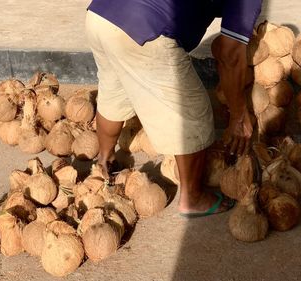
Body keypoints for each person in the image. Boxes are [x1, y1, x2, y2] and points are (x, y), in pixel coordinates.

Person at [85, 0, 262, 217]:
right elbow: (229, 54)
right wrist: (238, 114)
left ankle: (103, 162)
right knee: (193, 114)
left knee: (113, 93)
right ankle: (193, 199)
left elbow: (221, 48)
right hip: (146, 30)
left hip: (101, 16)